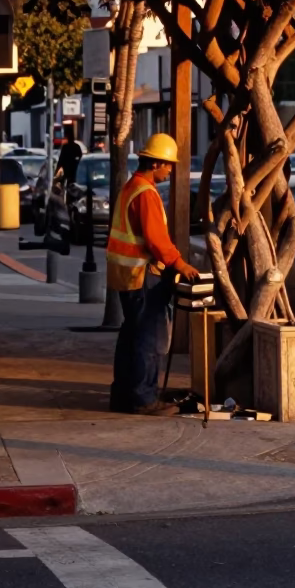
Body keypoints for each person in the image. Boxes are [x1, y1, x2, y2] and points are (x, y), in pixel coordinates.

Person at [107, 133, 200, 415]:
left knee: (131, 337)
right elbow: (156, 239)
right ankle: (144, 399)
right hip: (142, 275)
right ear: (156, 163)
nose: (170, 170)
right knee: (148, 339)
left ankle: (123, 396)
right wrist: (179, 264)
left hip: (126, 275)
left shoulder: (131, 187)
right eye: (168, 165)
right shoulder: (146, 193)